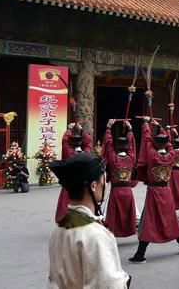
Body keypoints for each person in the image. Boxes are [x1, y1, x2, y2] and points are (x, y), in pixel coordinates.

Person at [48, 152, 130, 288]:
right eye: (103, 181)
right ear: (93, 186)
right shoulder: (95, 235)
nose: (106, 185)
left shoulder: (58, 229)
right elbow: (109, 284)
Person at [129, 117, 179, 263]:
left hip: (154, 192)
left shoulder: (152, 156)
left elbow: (147, 140)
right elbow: (168, 143)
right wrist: (159, 127)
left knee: (149, 220)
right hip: (166, 191)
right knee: (170, 217)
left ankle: (140, 253)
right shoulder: (171, 154)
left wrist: (146, 124)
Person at [103, 119, 137, 238]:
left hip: (116, 191)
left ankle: (111, 234)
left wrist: (108, 127)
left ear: (116, 146)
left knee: (114, 215)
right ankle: (129, 230)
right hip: (128, 191)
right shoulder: (131, 157)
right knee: (128, 214)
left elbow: (108, 145)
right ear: (127, 146)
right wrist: (130, 130)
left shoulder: (113, 158)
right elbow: (132, 145)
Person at [55, 123, 92, 222]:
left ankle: (64, 222)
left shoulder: (69, 153)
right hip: (82, 187)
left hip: (68, 186)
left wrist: (69, 130)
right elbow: (88, 142)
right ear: (81, 143)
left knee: (66, 206)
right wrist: (82, 131)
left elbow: (64, 141)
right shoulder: (86, 154)